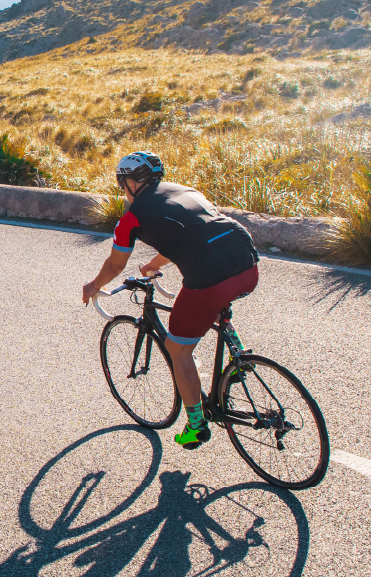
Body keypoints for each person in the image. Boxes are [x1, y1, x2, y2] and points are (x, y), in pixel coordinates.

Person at [82, 151, 259, 450]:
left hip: (211, 276)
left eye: (123, 185)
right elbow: (192, 233)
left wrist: (93, 285)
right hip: (247, 263)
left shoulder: (131, 217)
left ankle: (196, 426)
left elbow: (114, 265)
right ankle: (239, 357)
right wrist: (153, 265)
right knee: (212, 305)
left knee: (178, 349)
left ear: (130, 183)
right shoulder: (187, 191)